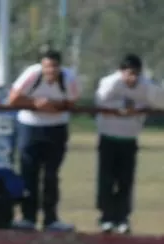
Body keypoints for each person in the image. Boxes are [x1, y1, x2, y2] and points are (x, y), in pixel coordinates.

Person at [8, 49, 79, 232]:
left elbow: (71, 103)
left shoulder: (68, 78)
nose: (50, 71)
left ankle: (51, 219)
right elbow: (13, 100)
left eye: (54, 66)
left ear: (59, 67)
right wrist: (34, 105)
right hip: (30, 128)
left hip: (56, 129)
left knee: (51, 175)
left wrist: (52, 106)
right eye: (47, 66)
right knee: (28, 173)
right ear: (42, 65)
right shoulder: (32, 75)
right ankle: (28, 218)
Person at [95, 54, 154, 234]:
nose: (133, 78)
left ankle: (122, 218)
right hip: (109, 137)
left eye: (136, 74)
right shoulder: (110, 83)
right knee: (106, 180)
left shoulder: (146, 86)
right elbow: (100, 101)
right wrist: (120, 108)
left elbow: (157, 101)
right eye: (129, 74)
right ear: (121, 72)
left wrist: (138, 108)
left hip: (129, 139)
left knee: (125, 181)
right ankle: (106, 218)